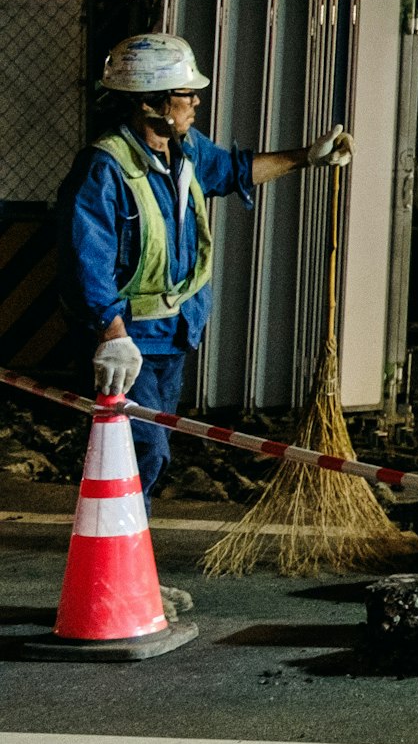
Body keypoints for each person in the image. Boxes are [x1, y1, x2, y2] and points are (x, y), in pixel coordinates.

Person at [63, 33, 349, 490]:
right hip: (129, 340)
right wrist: (111, 333)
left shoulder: (185, 150)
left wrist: (306, 158)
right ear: (150, 103)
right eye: (185, 93)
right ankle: (116, 549)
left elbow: (233, 170)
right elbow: (87, 257)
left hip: (173, 333)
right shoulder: (106, 168)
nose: (196, 100)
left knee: (152, 450)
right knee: (144, 451)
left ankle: (130, 548)